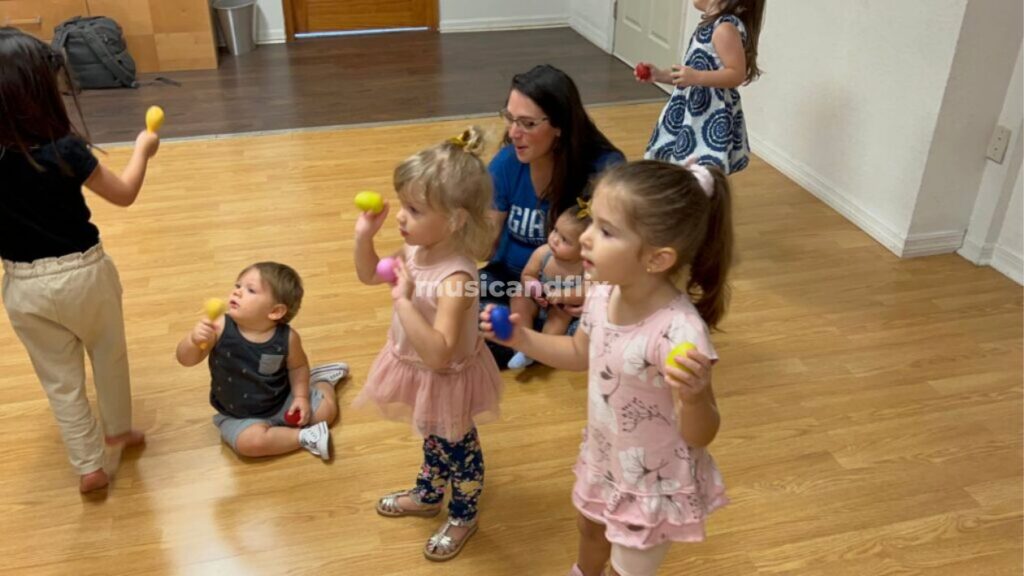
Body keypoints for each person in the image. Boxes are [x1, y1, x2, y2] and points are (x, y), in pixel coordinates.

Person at [482, 159, 733, 576]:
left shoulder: (679, 334)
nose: (586, 239)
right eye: (591, 222)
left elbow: (700, 434)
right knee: (590, 526)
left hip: (651, 481)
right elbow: (581, 353)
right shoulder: (602, 292)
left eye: (606, 231)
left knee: (627, 565)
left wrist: (695, 395)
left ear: (656, 259)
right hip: (607, 455)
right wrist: (522, 339)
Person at [0, 28, 157, 493]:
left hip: (22, 286)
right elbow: (124, 194)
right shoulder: (66, 148)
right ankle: (117, 430)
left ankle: (89, 464)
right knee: (109, 354)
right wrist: (143, 150)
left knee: (60, 380)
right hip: (84, 274)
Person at [352, 128, 502, 562]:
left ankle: (464, 512)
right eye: (403, 204)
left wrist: (402, 301)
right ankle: (429, 493)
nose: (401, 216)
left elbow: (440, 353)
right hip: (415, 367)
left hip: (446, 375)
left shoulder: (457, 279)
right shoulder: (417, 249)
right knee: (434, 435)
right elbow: (367, 274)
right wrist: (365, 235)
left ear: (455, 219)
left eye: (414, 209)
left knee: (460, 447)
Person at [483, 64, 625, 367]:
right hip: (512, 282)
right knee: (455, 307)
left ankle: (538, 342)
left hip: (575, 288)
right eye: (510, 118)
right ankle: (538, 343)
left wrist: (591, 295)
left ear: (560, 125)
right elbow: (483, 247)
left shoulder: (604, 170)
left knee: (613, 327)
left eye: (528, 123)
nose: (514, 133)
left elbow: (622, 256)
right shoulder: (506, 163)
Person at [176, 262, 345, 460]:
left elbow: (297, 366)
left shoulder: (287, 338)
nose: (237, 292)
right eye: (238, 286)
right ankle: (305, 437)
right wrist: (193, 341)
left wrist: (300, 397)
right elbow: (185, 360)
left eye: (250, 290)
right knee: (251, 444)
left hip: (282, 401)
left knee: (326, 413)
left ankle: (321, 382)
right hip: (237, 414)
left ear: (275, 312)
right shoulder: (220, 327)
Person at [638, 0, 765, 174]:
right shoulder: (708, 26)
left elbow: (736, 74)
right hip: (689, 109)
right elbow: (687, 74)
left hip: (709, 114)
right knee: (680, 163)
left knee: (701, 168)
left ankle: (701, 197)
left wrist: (696, 77)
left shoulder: (724, 29)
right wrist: (659, 75)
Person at [507, 203, 590, 369]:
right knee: (519, 296)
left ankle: (541, 349)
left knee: (560, 316)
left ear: (584, 248)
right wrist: (534, 288)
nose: (554, 239)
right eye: (555, 230)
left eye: (565, 240)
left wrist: (562, 296)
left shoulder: (585, 266)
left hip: (561, 307)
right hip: (539, 298)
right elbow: (527, 275)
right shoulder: (543, 253)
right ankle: (522, 342)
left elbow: (586, 291)